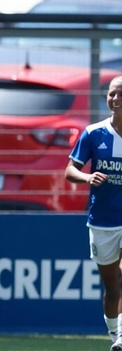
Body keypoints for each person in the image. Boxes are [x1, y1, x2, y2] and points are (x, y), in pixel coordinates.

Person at [65, 75, 122, 351]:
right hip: (102, 222)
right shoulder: (93, 133)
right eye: (112, 94)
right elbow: (70, 170)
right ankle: (115, 336)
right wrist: (87, 178)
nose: (115, 99)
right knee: (113, 287)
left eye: (120, 94)